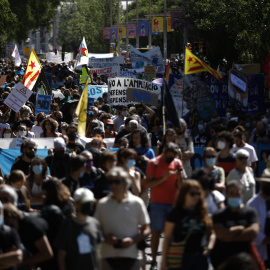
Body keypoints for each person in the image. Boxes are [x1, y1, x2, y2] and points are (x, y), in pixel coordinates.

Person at [94, 167, 151, 270]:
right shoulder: (102, 204)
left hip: (132, 256)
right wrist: (105, 237)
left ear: (126, 183)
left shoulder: (137, 203)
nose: (113, 185)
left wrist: (132, 240)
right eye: (110, 182)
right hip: (107, 257)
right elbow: (96, 227)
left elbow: (146, 229)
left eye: (117, 182)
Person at [161, 180, 215, 270]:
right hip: (180, 258)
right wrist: (163, 262)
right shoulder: (175, 213)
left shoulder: (202, 212)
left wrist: (209, 249)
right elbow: (168, 237)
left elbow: (212, 233)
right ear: (184, 195)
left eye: (198, 193)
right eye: (192, 193)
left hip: (200, 258)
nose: (196, 196)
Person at [145, 143, 183, 270]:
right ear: (165, 152)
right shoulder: (153, 163)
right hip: (158, 204)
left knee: (172, 234)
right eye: (169, 156)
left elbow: (181, 186)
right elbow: (148, 183)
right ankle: (155, 260)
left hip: (173, 204)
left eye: (173, 157)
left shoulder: (177, 163)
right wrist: (163, 178)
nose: (171, 159)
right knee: (156, 232)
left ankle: (169, 261)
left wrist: (179, 178)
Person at [210, 181, 260, 269]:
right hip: (223, 261)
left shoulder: (250, 212)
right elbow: (221, 234)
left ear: (242, 194)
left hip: (245, 261)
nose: (235, 196)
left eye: (237, 193)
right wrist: (240, 229)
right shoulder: (218, 215)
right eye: (231, 193)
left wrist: (228, 237)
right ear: (227, 195)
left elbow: (253, 232)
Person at [55, 188, 102, 270]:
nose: (88, 205)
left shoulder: (95, 223)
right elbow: (61, 255)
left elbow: (98, 252)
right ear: (76, 204)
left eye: (90, 203)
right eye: (85, 203)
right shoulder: (67, 224)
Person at [4, 202, 54, 268]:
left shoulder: (30, 225)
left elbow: (47, 254)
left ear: (9, 216)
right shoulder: (19, 228)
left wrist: (24, 262)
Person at [247, 168, 270, 267]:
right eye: (266, 184)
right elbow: (249, 227)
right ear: (260, 183)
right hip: (260, 249)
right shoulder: (252, 204)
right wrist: (265, 240)